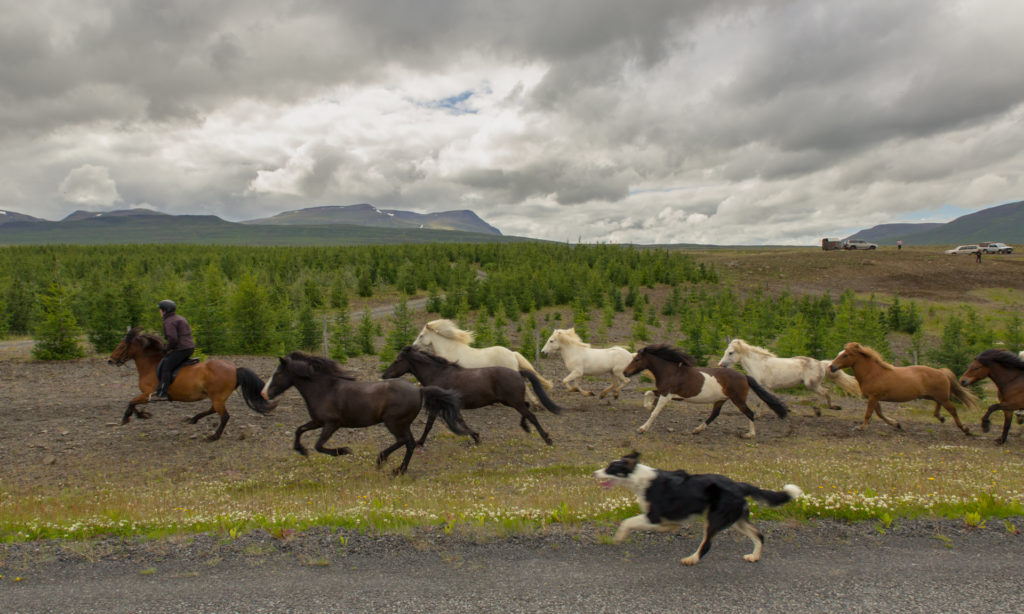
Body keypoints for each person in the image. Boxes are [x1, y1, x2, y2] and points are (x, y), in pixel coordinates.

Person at [149, 299, 195, 402]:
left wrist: (166, 349)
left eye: (160, 310)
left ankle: (163, 393)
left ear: (165, 310)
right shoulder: (180, 318)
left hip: (181, 348)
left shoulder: (169, 321)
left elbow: (173, 339)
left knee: (166, 366)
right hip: (189, 347)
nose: (159, 312)